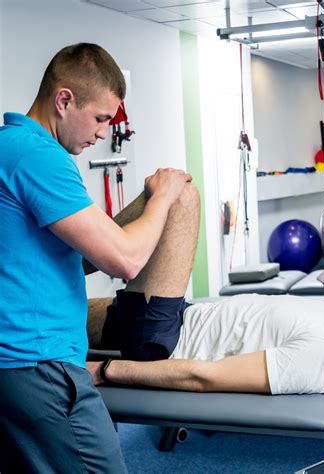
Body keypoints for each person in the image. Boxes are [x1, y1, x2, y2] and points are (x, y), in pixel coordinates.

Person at [0, 43, 192, 473]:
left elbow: (61, 258)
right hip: (39, 366)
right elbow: (125, 261)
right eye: (102, 118)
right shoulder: (37, 156)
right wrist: (162, 197)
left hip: (15, 366)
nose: (104, 132)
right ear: (64, 100)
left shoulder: (6, 148)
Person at [86, 189, 324, 396]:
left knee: (180, 191)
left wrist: (105, 372)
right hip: (186, 315)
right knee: (53, 313)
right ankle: (74, 259)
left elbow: (206, 377)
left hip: (164, 338)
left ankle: (80, 252)